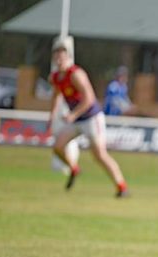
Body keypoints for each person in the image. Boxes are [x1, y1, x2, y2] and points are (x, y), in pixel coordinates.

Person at [49, 38, 129, 197]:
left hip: (92, 118)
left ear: (68, 57)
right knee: (58, 147)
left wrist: (73, 115)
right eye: (56, 57)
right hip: (76, 120)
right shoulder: (55, 77)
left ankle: (121, 187)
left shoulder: (76, 74)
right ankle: (74, 169)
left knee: (99, 155)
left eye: (62, 57)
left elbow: (89, 99)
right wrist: (52, 114)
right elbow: (56, 95)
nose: (59, 60)